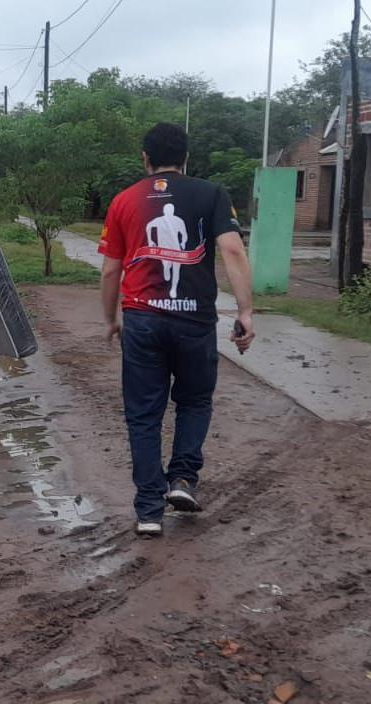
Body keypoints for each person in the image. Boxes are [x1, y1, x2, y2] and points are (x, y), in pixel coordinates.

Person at [98, 122, 255, 538]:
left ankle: (149, 511)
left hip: (142, 320)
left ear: (145, 158)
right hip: (194, 321)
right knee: (194, 401)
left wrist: (110, 319)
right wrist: (246, 311)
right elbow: (232, 249)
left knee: (143, 414)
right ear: (186, 158)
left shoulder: (124, 200)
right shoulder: (212, 193)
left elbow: (111, 268)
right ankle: (183, 479)